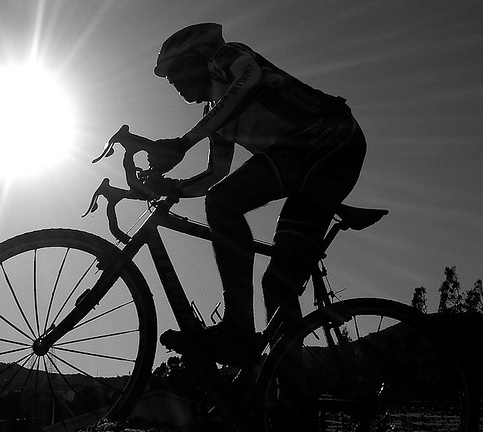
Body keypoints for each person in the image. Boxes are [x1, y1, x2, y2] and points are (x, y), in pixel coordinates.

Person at [150, 23, 366, 367]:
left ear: (198, 59)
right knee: (278, 285)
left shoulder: (226, 57)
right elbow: (215, 174)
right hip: (323, 164)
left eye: (176, 73)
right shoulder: (217, 114)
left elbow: (248, 78)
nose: (174, 84)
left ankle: (237, 329)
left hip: (329, 136)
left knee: (223, 202)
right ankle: (291, 393)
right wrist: (173, 187)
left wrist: (183, 143)